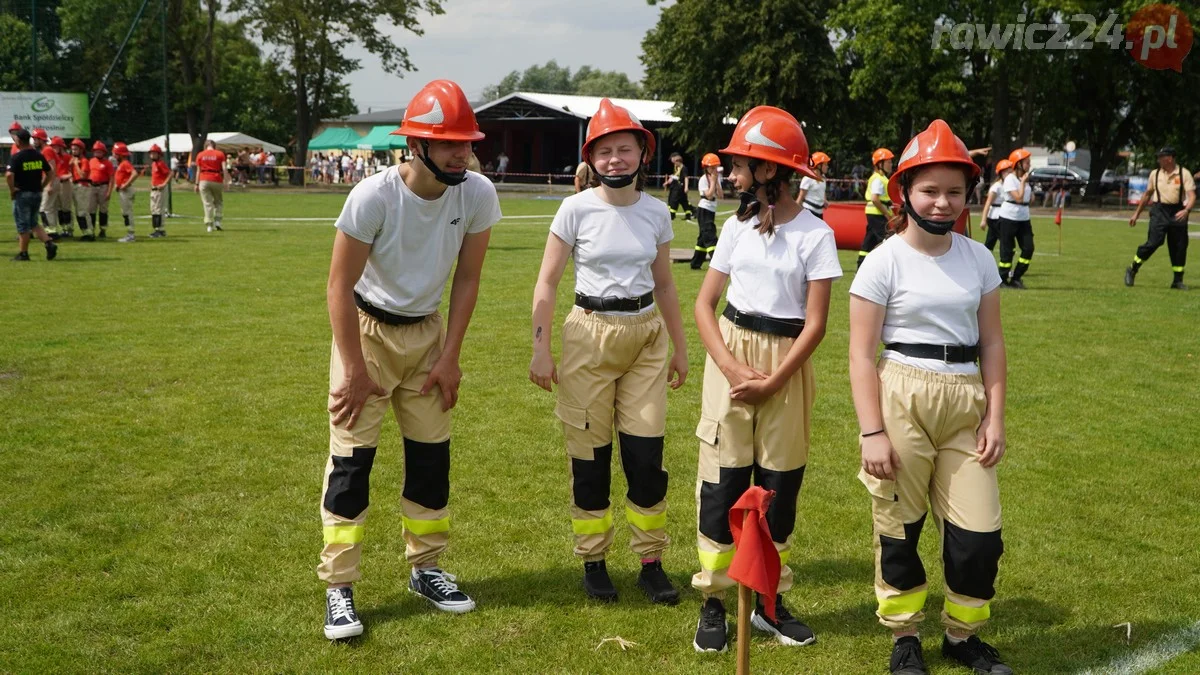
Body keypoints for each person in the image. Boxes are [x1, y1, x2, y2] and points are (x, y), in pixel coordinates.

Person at [319, 79, 501, 641]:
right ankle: (339, 589)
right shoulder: (373, 196)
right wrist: (352, 368)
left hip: (428, 337)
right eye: (448, 143)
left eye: (465, 143)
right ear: (415, 145)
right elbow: (338, 285)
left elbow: (467, 279)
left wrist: (450, 356)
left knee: (431, 461)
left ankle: (426, 570)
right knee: (352, 466)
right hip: (367, 334)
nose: (461, 153)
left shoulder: (476, 193)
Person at [849, 120, 1010, 675]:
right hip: (902, 396)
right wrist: (872, 431)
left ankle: (962, 638)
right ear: (905, 192)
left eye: (955, 192)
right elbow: (860, 355)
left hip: (965, 400)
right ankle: (905, 636)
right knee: (900, 529)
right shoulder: (882, 261)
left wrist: (996, 415)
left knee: (979, 536)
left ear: (968, 197)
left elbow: (991, 341)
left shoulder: (979, 258)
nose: (943, 203)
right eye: (930, 190)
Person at [690, 106, 841, 653]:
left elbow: (817, 323)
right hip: (730, 354)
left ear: (772, 171)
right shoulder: (734, 227)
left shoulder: (816, 235)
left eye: (741, 164)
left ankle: (769, 602)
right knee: (722, 483)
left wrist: (775, 381)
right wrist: (731, 367)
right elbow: (705, 306)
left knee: (777, 487)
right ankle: (713, 600)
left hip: (787, 365)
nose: (732, 175)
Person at [529, 98, 688, 606]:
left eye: (625, 148)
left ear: (644, 152)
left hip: (645, 336)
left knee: (646, 459)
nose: (615, 159)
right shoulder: (575, 208)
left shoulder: (657, 212)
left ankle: (651, 562)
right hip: (588, 335)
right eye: (605, 151)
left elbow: (664, 286)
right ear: (591, 158)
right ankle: (594, 560)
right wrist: (540, 349)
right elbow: (548, 282)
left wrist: (681, 349)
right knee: (590, 458)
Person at [1125, 146, 1194, 290]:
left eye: (1160, 157)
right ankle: (1132, 269)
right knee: (1154, 242)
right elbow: (1147, 195)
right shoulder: (1155, 174)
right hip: (1159, 211)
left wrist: (1187, 210)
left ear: (1169, 158)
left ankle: (1177, 281)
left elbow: (1192, 196)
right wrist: (1136, 214)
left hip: (1178, 211)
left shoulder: (1184, 173)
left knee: (1179, 247)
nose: (1158, 160)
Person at [7, 126, 59, 262]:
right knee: (33, 223)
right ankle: (49, 243)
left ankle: (23, 253)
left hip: (22, 194)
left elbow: (9, 175)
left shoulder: (16, 157)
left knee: (23, 225)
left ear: (18, 141)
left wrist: (12, 190)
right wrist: (42, 185)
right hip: (37, 193)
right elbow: (50, 172)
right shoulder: (38, 155)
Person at [996, 148, 1033, 288]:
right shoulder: (1010, 179)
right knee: (1007, 250)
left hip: (1024, 218)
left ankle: (1017, 277)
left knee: (1028, 248)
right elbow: (1018, 198)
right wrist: (1023, 184)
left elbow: (1028, 198)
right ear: (1018, 164)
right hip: (1008, 218)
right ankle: (1002, 279)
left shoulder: (1024, 179)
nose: (1029, 165)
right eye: (1027, 162)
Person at [859, 148, 895, 269]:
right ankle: (884, 267)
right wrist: (887, 215)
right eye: (888, 162)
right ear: (880, 164)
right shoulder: (878, 179)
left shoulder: (882, 178)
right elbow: (875, 199)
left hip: (875, 213)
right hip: (877, 213)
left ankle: (861, 266)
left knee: (869, 242)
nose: (891, 165)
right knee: (885, 240)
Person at [690, 152, 721, 269]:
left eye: (716, 167)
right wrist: (713, 182)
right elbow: (708, 195)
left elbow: (721, 195)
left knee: (702, 238)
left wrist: (716, 182)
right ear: (706, 168)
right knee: (710, 235)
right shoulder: (703, 180)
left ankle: (695, 264)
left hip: (712, 210)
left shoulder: (717, 179)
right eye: (712, 167)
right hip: (704, 209)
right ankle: (717, 261)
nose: (714, 170)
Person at [31, 129, 61, 237]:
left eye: (35, 139)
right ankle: (52, 230)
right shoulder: (47, 150)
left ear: (41, 140)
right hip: (52, 180)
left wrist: (49, 185)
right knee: (50, 207)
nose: (34, 141)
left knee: (44, 208)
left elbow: (51, 168)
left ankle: (50, 231)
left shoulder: (47, 150)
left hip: (50, 180)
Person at [195, 139, 228, 232]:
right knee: (218, 201)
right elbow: (224, 168)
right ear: (214, 146)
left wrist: (196, 184)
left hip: (204, 179)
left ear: (205, 146)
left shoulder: (200, 155)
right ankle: (217, 221)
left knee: (207, 203)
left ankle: (209, 224)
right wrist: (226, 180)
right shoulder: (220, 154)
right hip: (217, 179)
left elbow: (198, 171)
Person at [978, 160, 1011, 252]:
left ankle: (983, 258)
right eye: (1008, 172)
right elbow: (988, 203)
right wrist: (983, 220)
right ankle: (1005, 260)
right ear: (1001, 173)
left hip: (1003, 215)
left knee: (990, 241)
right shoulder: (996, 187)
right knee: (1005, 240)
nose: (1011, 174)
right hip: (995, 217)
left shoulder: (1008, 185)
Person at [112, 142, 140, 242]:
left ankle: (130, 234)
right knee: (125, 212)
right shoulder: (122, 164)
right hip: (123, 190)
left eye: (115, 154)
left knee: (127, 212)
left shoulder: (125, 163)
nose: (114, 156)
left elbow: (135, 173)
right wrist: (118, 185)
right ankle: (129, 233)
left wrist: (126, 184)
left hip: (126, 191)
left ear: (120, 154)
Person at [87, 141, 115, 239]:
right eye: (96, 151)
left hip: (103, 187)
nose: (97, 153)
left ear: (104, 152)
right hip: (92, 187)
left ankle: (103, 229)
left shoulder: (107, 163)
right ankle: (91, 229)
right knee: (91, 209)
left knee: (103, 210)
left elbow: (112, 178)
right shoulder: (91, 161)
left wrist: (109, 191)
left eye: (99, 151)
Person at [68, 139, 95, 240]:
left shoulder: (84, 161)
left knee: (82, 211)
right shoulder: (75, 160)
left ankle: (89, 232)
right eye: (72, 149)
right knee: (78, 211)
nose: (73, 151)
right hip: (75, 185)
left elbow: (83, 175)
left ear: (81, 150)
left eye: (76, 149)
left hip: (82, 185)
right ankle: (85, 232)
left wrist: (75, 164)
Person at [50, 136, 74, 237]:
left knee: (66, 208)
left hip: (65, 183)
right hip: (56, 183)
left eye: (56, 146)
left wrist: (67, 176)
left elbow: (73, 172)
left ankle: (69, 229)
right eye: (53, 146)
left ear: (61, 146)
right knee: (58, 208)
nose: (54, 148)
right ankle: (63, 228)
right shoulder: (53, 157)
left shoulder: (68, 157)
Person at [797, 151, 831, 220]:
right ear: (819, 165)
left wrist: (824, 200)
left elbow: (822, 190)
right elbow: (800, 197)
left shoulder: (823, 178)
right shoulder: (807, 178)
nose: (827, 167)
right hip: (809, 212)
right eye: (825, 164)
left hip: (820, 212)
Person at [147, 144, 170, 238]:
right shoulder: (154, 164)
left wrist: (164, 184)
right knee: (153, 209)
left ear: (159, 154)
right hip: (154, 189)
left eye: (154, 153)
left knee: (158, 209)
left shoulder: (160, 163)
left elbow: (170, 174)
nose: (152, 155)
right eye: (151, 153)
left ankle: (159, 229)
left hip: (160, 189)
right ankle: (158, 229)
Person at [665, 151, 693, 221]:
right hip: (675, 187)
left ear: (676, 160)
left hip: (680, 188)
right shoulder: (676, 167)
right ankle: (688, 214)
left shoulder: (683, 168)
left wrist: (686, 187)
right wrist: (667, 182)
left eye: (673, 160)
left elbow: (686, 178)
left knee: (674, 201)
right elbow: (674, 176)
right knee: (684, 202)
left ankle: (672, 215)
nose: (673, 162)